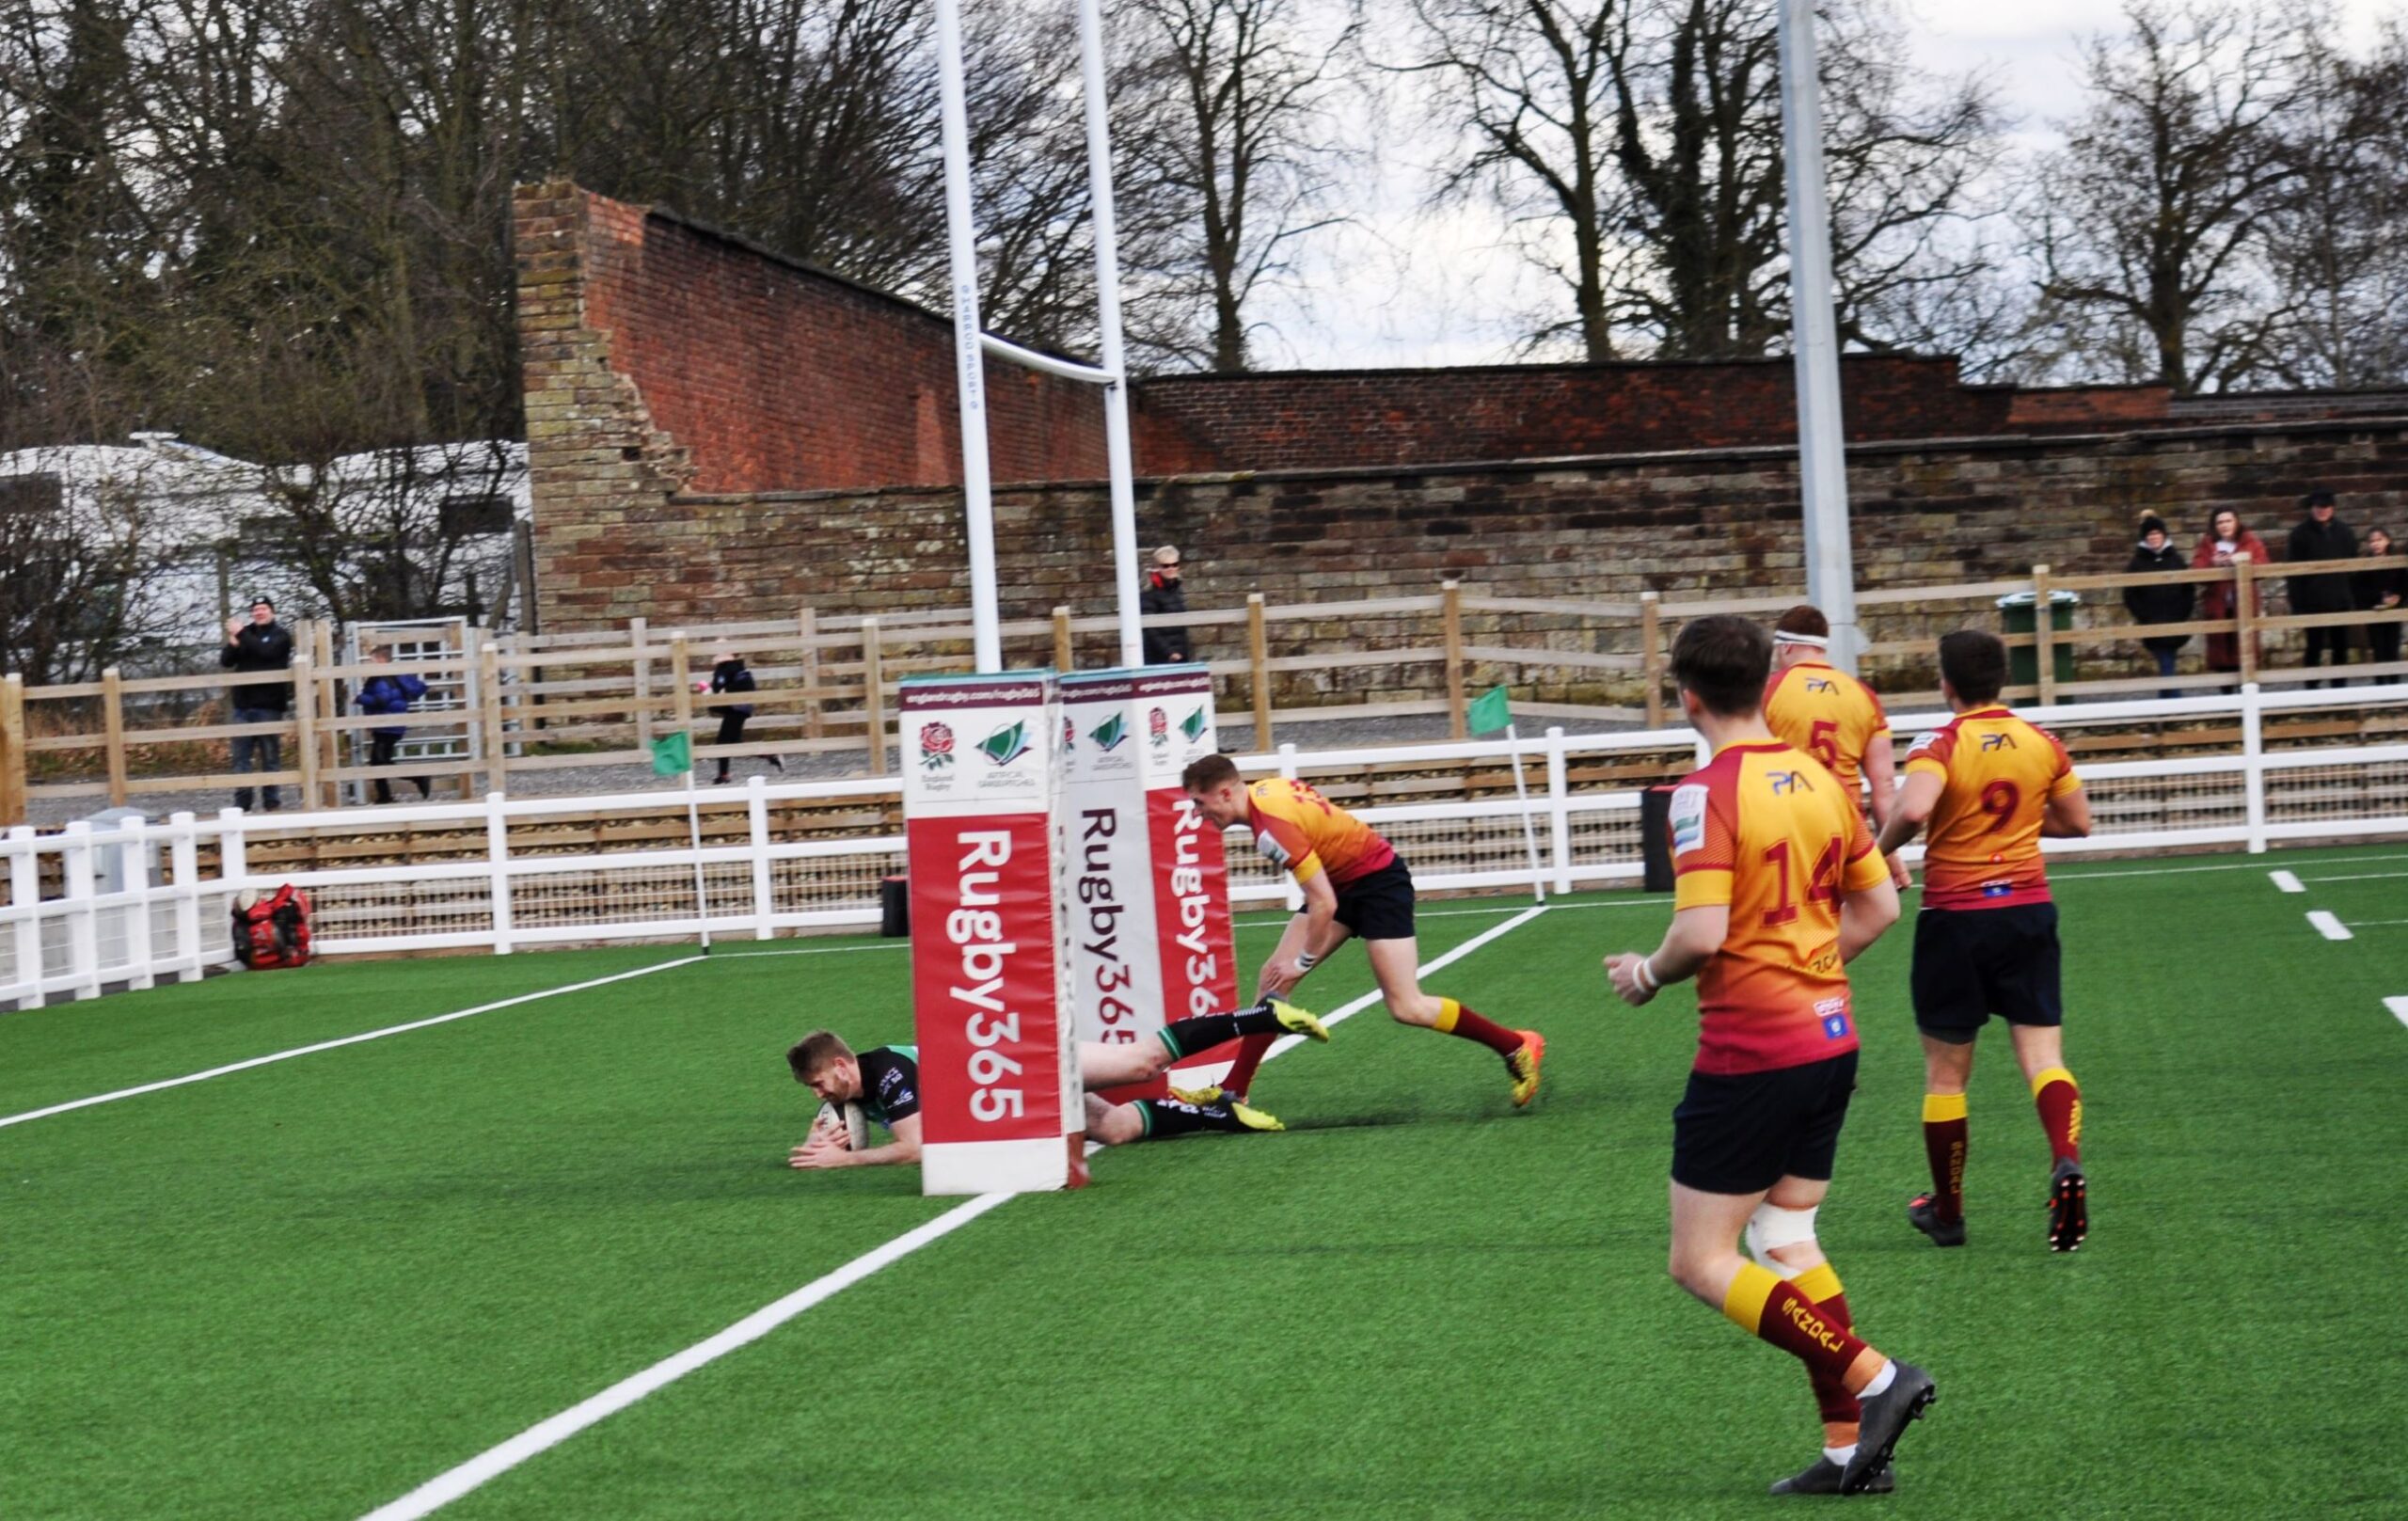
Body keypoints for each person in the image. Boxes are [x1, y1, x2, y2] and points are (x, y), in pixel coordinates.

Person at [1603, 614, 1928, 1498]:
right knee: (1784, 1233)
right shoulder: (1823, 779)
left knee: (1699, 1260)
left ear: (1688, 697)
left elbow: (1700, 933)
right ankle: (1848, 1451)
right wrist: (1807, 973)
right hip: (1830, 1038)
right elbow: (1880, 909)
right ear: (1765, 685)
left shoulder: (1703, 792)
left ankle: (1877, 1377)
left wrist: (1645, 973)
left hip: (1752, 1051)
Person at [1874, 631, 2093, 1255]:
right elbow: (2078, 821)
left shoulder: (1939, 743)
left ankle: (1948, 1213)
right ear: (2002, 680)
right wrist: (2019, 821)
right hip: (2027, 912)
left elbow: (1913, 811)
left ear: (1946, 683)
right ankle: (2066, 1157)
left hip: (1956, 917)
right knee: (2044, 1058)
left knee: (1947, 1076)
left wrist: (1875, 853)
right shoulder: (2041, 741)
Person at [1182, 753, 1544, 1107]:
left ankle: (1516, 1046)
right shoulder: (1265, 791)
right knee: (1272, 981)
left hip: (1379, 886)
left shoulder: (1270, 830)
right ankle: (1233, 1092)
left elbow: (1324, 904)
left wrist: (1302, 962)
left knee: (1406, 1006)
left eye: (1200, 802)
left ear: (1225, 793)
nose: (1198, 813)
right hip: (1342, 883)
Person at [784, 999, 1329, 1169]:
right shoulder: (854, 1092)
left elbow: (917, 1147)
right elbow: (839, 1128)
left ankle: (1260, 1016)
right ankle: (1222, 1114)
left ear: (842, 1065)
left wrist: (845, 1161)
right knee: (1113, 1127)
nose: (818, 1094)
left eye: (819, 1083)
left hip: (1023, 1062)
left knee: (1142, 1063)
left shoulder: (889, 1072)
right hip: (1018, 1090)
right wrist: (825, 1136)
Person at [1761, 604, 1908, 889]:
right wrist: (1890, 854)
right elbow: (1884, 785)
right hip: (1846, 825)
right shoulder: (1863, 695)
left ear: (1786, 646)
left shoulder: (1769, 691)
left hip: (1788, 823)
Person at [220, 597, 294, 812]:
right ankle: (242, 803)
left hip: (268, 706)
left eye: (263, 609)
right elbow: (226, 661)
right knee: (241, 757)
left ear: (272, 612)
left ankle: (271, 802)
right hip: (242, 706)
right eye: (255, 609)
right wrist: (234, 644)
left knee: (270, 756)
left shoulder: (281, 635)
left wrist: (241, 634)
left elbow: (267, 652)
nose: (259, 612)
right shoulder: (246, 633)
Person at [2287, 489, 2358, 687]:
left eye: (2326, 507)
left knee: (2340, 646)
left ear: (2332, 508)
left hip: (2340, 599)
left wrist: (2351, 596)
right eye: (2318, 507)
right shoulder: (2299, 534)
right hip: (2312, 601)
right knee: (2313, 646)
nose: (2322, 511)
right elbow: (2293, 572)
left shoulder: (2345, 532)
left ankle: (2339, 688)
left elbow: (2354, 565)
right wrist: (2297, 604)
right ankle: (2312, 688)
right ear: (2312, 508)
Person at [2122, 514, 2194, 699]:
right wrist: (2144, 615)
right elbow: (2129, 594)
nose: (2154, 537)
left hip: (2175, 619)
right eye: (2150, 534)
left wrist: (2183, 613)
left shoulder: (2176, 559)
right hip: (2152, 620)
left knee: (2167, 660)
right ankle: (2173, 700)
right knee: (2166, 659)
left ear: (2163, 535)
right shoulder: (2137, 563)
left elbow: (2188, 589)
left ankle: (2167, 700)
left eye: (2157, 533)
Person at [2192, 509, 2269, 681]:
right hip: (2218, 605)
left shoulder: (2250, 541)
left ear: (2236, 522)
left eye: (2228, 521)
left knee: (2245, 650)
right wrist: (2213, 563)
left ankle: (2247, 689)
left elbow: (2263, 565)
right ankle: (2226, 692)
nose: (2224, 525)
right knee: (2221, 653)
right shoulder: (2207, 544)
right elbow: (2197, 570)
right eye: (2220, 522)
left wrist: (2240, 561)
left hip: (2244, 604)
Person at [356, 645, 431, 803]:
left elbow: (382, 700)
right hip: (389, 725)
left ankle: (417, 779)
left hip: (387, 725)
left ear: (381, 660)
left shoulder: (383, 678)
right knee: (379, 761)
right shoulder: (389, 677)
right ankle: (386, 795)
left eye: (372, 660)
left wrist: (359, 699)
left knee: (380, 761)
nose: (369, 664)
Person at [706, 649, 779, 784]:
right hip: (735, 708)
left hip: (737, 708)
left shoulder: (732, 668)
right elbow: (720, 688)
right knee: (733, 741)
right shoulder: (728, 669)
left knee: (723, 741)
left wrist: (724, 691)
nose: (716, 656)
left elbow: (744, 684)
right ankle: (769, 754)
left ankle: (724, 774)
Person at [2356, 527, 2405, 676]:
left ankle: (2394, 682)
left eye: (2379, 540)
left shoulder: (2397, 562)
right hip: (2374, 611)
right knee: (2378, 649)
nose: (2376, 544)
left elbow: (2404, 584)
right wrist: (2378, 598)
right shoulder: (2364, 565)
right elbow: (2360, 589)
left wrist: (2398, 597)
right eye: (2372, 541)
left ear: (2387, 541)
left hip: (2394, 611)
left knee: (2393, 648)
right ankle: (2381, 683)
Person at [1138, 545, 1191, 664]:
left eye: (1174, 564)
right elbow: (1149, 627)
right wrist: (1169, 652)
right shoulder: (1149, 592)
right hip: (1160, 656)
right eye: (1166, 566)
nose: (1171, 568)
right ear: (1157, 567)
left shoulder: (1177, 589)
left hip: (1179, 652)